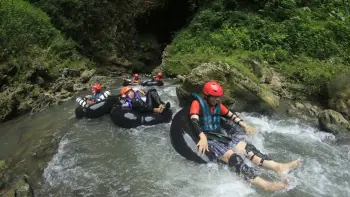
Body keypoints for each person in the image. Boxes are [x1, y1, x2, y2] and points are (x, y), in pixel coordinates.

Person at [190, 81, 300, 191]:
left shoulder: (218, 105)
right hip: (209, 140)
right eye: (214, 97)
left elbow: (231, 116)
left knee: (247, 147)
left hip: (219, 137)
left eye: (218, 97)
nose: (217, 100)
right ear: (207, 96)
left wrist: (245, 125)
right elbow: (194, 121)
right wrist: (202, 137)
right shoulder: (197, 104)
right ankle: (266, 185)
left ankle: (278, 167)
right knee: (234, 157)